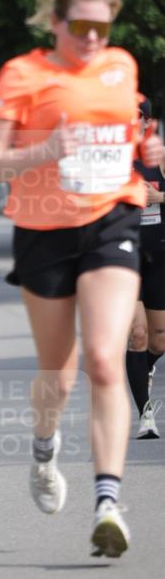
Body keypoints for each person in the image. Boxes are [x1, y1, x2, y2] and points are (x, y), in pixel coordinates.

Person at [0, 0, 164, 559]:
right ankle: (43, 444)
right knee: (59, 376)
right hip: (42, 228)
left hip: (112, 218)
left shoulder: (121, 67)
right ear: (56, 23)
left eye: (102, 27)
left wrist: (147, 152)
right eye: (80, 27)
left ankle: (107, 502)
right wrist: (45, 150)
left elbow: (129, 138)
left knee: (108, 358)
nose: (91, 38)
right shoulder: (23, 74)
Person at [126, 98, 165, 438]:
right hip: (123, 257)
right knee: (137, 335)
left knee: (159, 339)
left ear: (145, 120)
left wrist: (157, 199)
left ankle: (146, 367)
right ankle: (146, 415)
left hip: (160, 254)